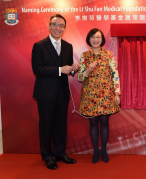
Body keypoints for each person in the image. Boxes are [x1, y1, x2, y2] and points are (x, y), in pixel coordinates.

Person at [32, 14, 80, 170]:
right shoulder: (39, 46)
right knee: (46, 125)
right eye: (55, 24)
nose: (58, 28)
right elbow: (37, 69)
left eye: (61, 26)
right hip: (45, 93)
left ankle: (60, 152)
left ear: (65, 29)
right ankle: (47, 155)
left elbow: (67, 69)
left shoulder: (68, 46)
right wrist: (60, 70)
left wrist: (73, 70)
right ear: (49, 26)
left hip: (62, 92)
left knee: (61, 124)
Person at [78, 28, 121, 164]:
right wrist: (88, 69)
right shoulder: (84, 56)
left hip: (106, 95)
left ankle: (104, 150)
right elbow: (79, 77)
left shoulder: (108, 55)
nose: (95, 40)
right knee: (93, 123)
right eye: (92, 37)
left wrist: (117, 93)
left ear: (102, 39)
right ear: (88, 39)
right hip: (90, 95)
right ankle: (96, 150)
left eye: (98, 37)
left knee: (104, 122)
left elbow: (115, 74)